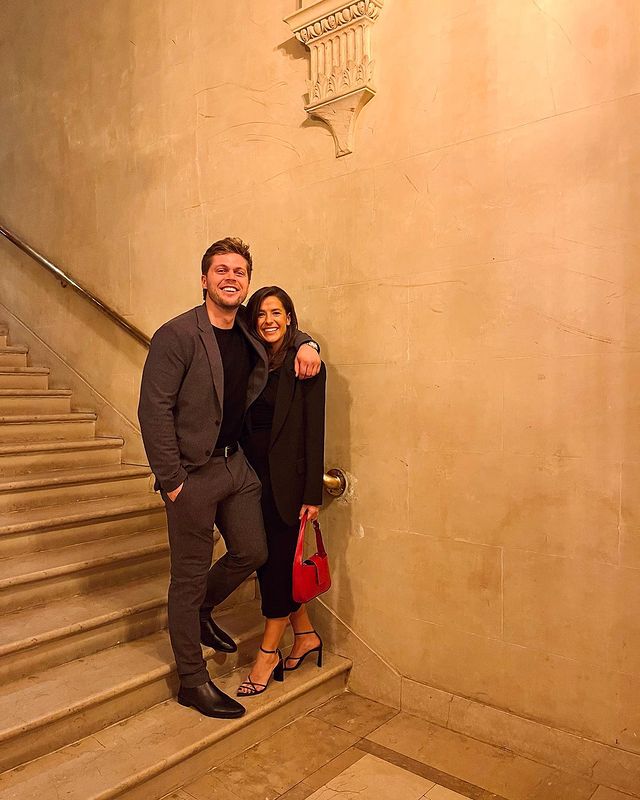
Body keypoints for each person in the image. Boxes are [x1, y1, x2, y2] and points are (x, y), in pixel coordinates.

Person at [137, 238, 321, 719]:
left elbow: (284, 328)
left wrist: (309, 343)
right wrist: (172, 479)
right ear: (204, 279)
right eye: (221, 270)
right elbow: (152, 410)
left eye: (240, 271)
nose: (231, 278)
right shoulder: (175, 335)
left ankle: (202, 609)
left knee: (253, 551)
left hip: (234, 466)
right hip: (190, 476)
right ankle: (192, 681)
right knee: (188, 578)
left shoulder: (245, 330)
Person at [236, 286, 326, 697]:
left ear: (290, 317)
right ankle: (305, 635)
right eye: (261, 314)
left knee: (274, 569)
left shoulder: (305, 365)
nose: (268, 320)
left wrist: (312, 495)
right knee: (267, 563)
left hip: (287, 486)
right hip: (249, 480)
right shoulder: (253, 360)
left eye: (277, 312)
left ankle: (267, 653)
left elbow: (314, 432)